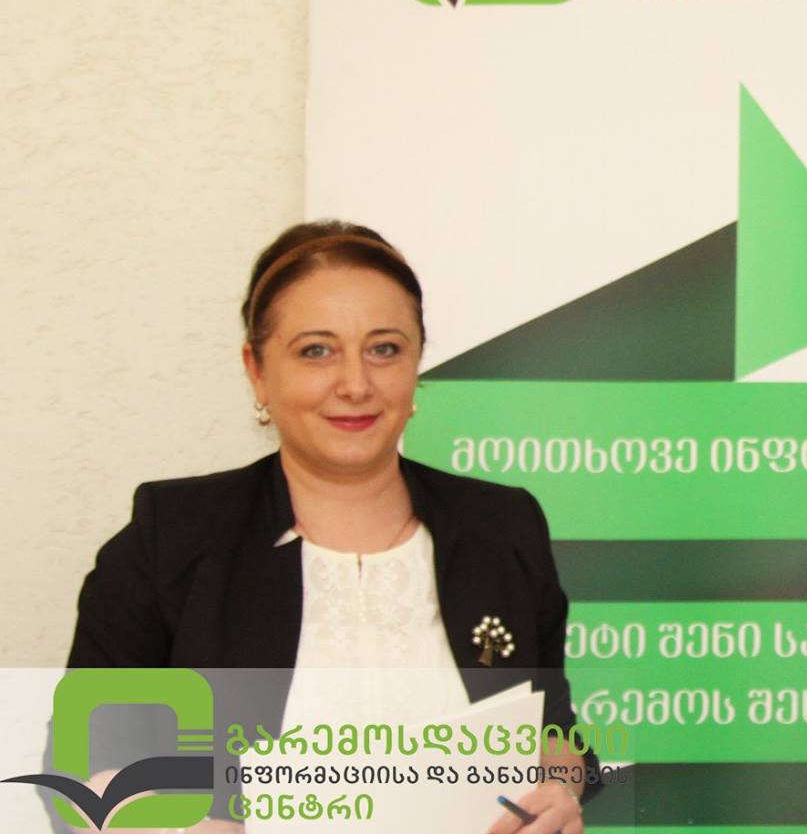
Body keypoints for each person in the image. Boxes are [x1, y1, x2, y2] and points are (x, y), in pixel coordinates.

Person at [64, 221, 596, 834]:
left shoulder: (502, 527)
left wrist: (559, 787)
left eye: (384, 349)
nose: (355, 384)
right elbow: (83, 766)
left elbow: (553, 731)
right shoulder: (171, 537)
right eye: (316, 351)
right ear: (257, 370)